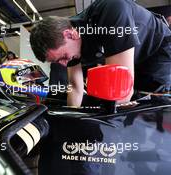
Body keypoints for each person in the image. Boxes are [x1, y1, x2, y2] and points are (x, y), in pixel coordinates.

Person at [30, 0, 171, 107]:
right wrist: (73, 118)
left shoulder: (111, 12)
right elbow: (75, 88)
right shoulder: (70, 46)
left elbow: (121, 92)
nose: (64, 63)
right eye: (57, 61)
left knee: (151, 101)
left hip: (157, 51)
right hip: (133, 56)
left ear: (70, 35)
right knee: (130, 98)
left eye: (63, 57)